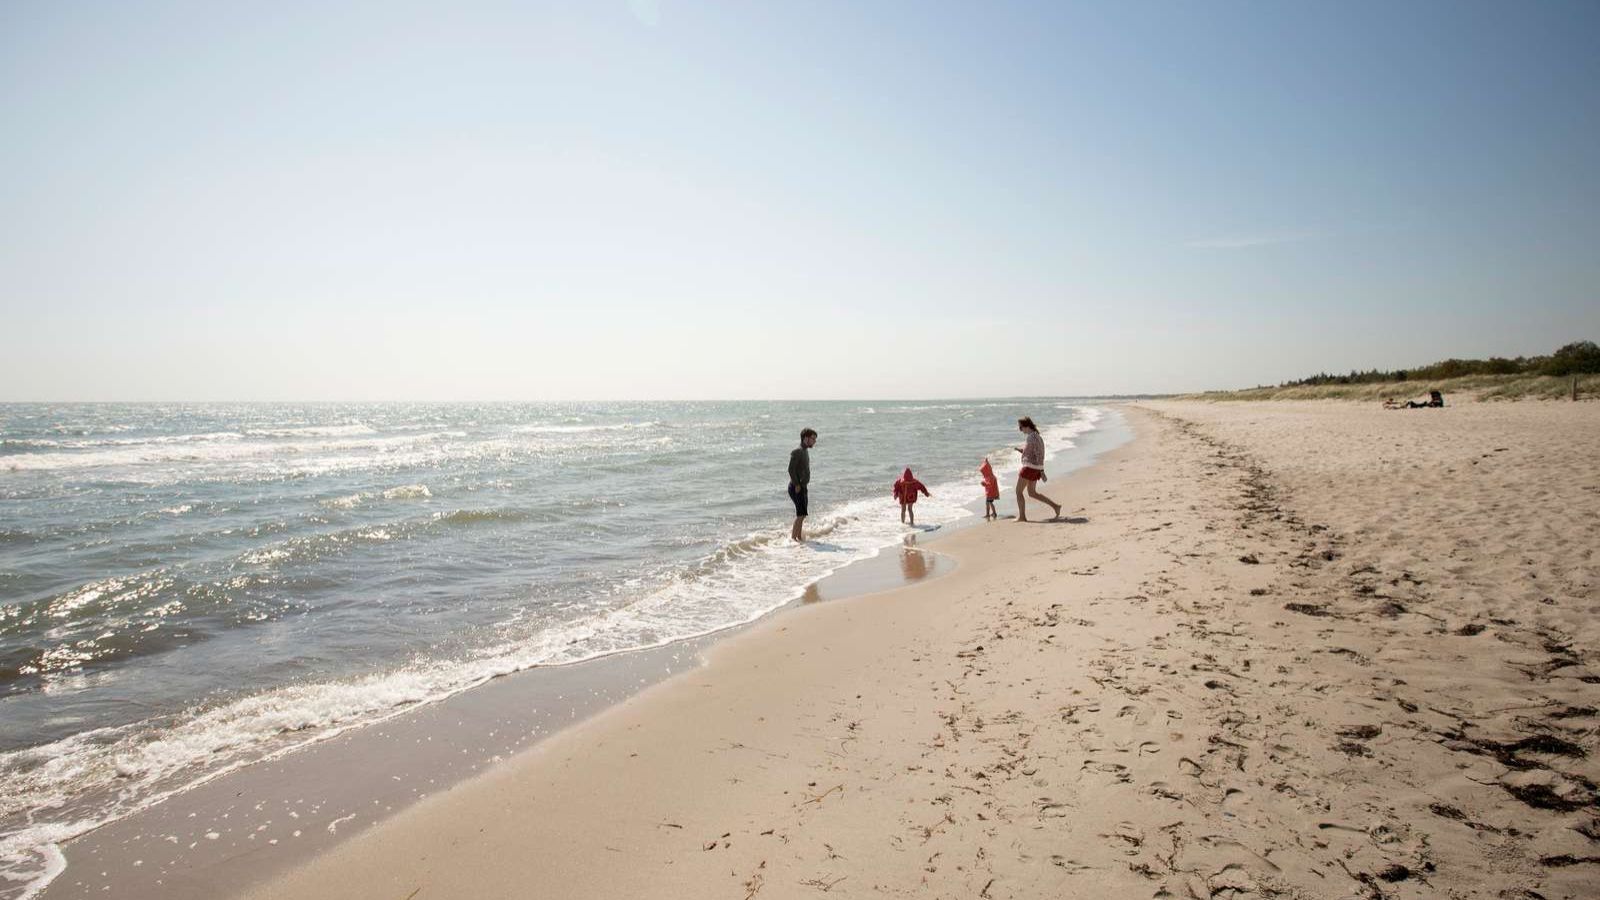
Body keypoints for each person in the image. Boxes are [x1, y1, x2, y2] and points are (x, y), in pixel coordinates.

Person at [1012, 416, 1062, 522]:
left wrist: (1042, 471)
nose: (1020, 430)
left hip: (1029, 468)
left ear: (1026, 426)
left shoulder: (1032, 437)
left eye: (1020, 427)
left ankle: (1022, 517)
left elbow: (1039, 454)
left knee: (1018, 492)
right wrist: (1021, 451)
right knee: (1032, 493)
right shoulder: (1036, 436)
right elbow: (1034, 453)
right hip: (1035, 468)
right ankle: (1056, 506)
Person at [788, 428, 817, 542]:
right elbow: (791, 469)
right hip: (797, 487)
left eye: (815, 439)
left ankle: (798, 538)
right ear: (805, 438)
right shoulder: (797, 451)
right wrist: (797, 484)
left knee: (803, 514)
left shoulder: (805, 451)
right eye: (813, 439)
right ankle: (793, 539)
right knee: (800, 515)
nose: (814, 441)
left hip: (803, 487)